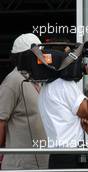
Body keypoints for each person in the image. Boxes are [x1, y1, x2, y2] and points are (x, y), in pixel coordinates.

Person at [38, 47, 88, 168]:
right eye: (70, 55)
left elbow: (71, 118)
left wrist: (83, 123)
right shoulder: (63, 84)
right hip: (71, 157)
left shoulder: (46, 86)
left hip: (57, 157)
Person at [0, 33, 49, 169]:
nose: (41, 56)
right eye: (37, 53)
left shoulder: (40, 79)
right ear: (24, 57)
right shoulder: (13, 81)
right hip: (20, 166)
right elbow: (0, 121)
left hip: (42, 164)